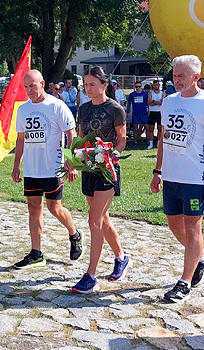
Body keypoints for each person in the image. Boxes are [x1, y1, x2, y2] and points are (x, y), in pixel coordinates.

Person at [151, 55, 204, 303]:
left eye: (181, 75)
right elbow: (164, 137)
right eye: (174, 75)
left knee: (193, 227)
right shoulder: (169, 102)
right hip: (172, 176)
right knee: (174, 224)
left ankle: (184, 282)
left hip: (195, 176)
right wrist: (157, 171)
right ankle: (202, 259)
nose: (176, 79)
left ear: (195, 77)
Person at [11, 70, 83, 268]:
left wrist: (72, 163)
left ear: (42, 84)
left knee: (54, 208)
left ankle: (74, 233)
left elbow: (71, 134)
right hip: (32, 169)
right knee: (33, 208)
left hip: (52, 167)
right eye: (26, 87)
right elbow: (20, 139)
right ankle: (36, 253)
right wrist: (16, 165)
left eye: (32, 86)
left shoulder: (56, 106)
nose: (29, 90)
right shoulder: (23, 109)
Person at [72, 66, 129, 294]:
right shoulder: (83, 109)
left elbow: (122, 140)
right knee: (102, 219)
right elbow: (79, 136)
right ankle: (121, 257)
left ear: (105, 85)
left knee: (93, 221)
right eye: (85, 85)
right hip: (88, 168)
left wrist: (110, 156)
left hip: (107, 170)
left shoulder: (115, 109)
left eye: (92, 84)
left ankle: (91, 275)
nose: (88, 88)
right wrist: (74, 159)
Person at [128, 81, 149, 148]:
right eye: (136, 86)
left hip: (143, 113)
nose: (138, 88)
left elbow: (148, 103)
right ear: (135, 87)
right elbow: (129, 103)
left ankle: (148, 141)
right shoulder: (132, 94)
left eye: (139, 86)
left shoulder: (145, 94)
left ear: (141, 87)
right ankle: (135, 141)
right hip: (135, 113)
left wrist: (149, 110)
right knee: (135, 128)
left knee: (146, 127)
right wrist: (128, 112)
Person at [146, 79, 164, 150]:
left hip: (159, 112)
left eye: (157, 85)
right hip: (152, 112)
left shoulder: (162, 93)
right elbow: (149, 102)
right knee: (151, 128)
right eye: (155, 85)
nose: (156, 86)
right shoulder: (150, 93)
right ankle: (151, 143)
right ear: (153, 85)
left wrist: (154, 101)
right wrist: (157, 102)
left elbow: (162, 102)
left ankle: (158, 143)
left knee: (160, 128)